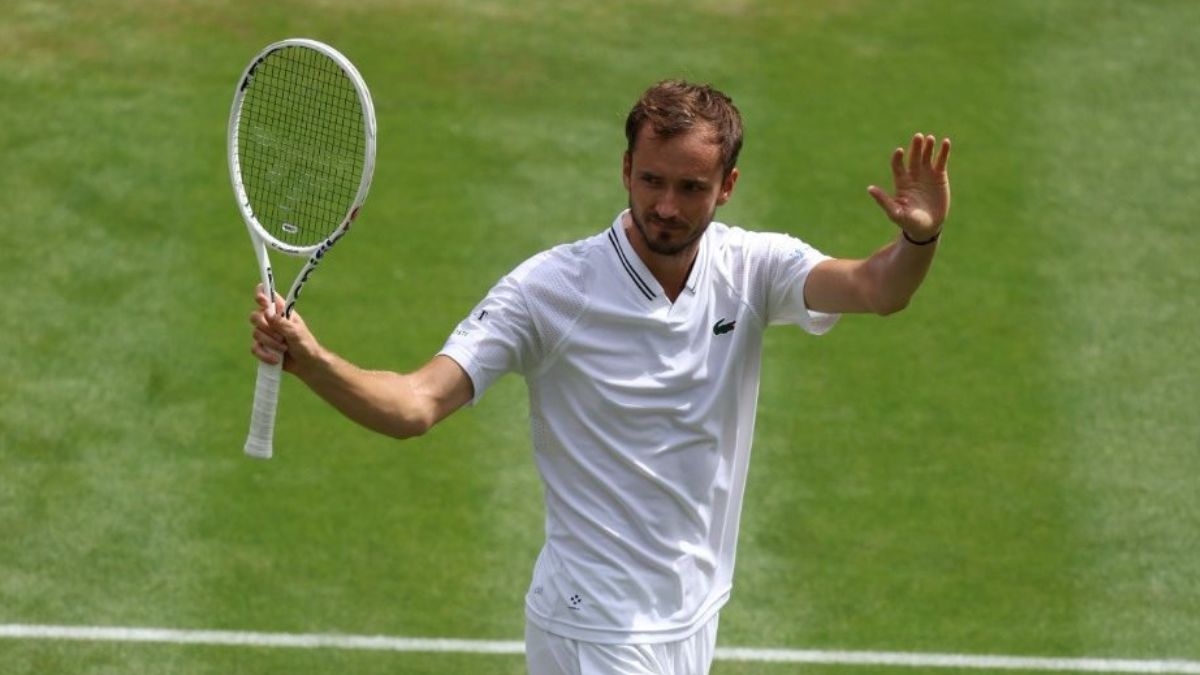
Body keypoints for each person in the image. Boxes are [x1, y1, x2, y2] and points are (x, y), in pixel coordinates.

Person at [249, 79, 951, 675]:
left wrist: (918, 237)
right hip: (595, 624)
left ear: (728, 186)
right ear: (624, 169)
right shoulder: (548, 291)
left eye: (689, 186)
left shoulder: (752, 269)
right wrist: (314, 360)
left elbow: (877, 288)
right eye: (651, 180)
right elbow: (416, 403)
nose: (666, 206)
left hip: (691, 612)